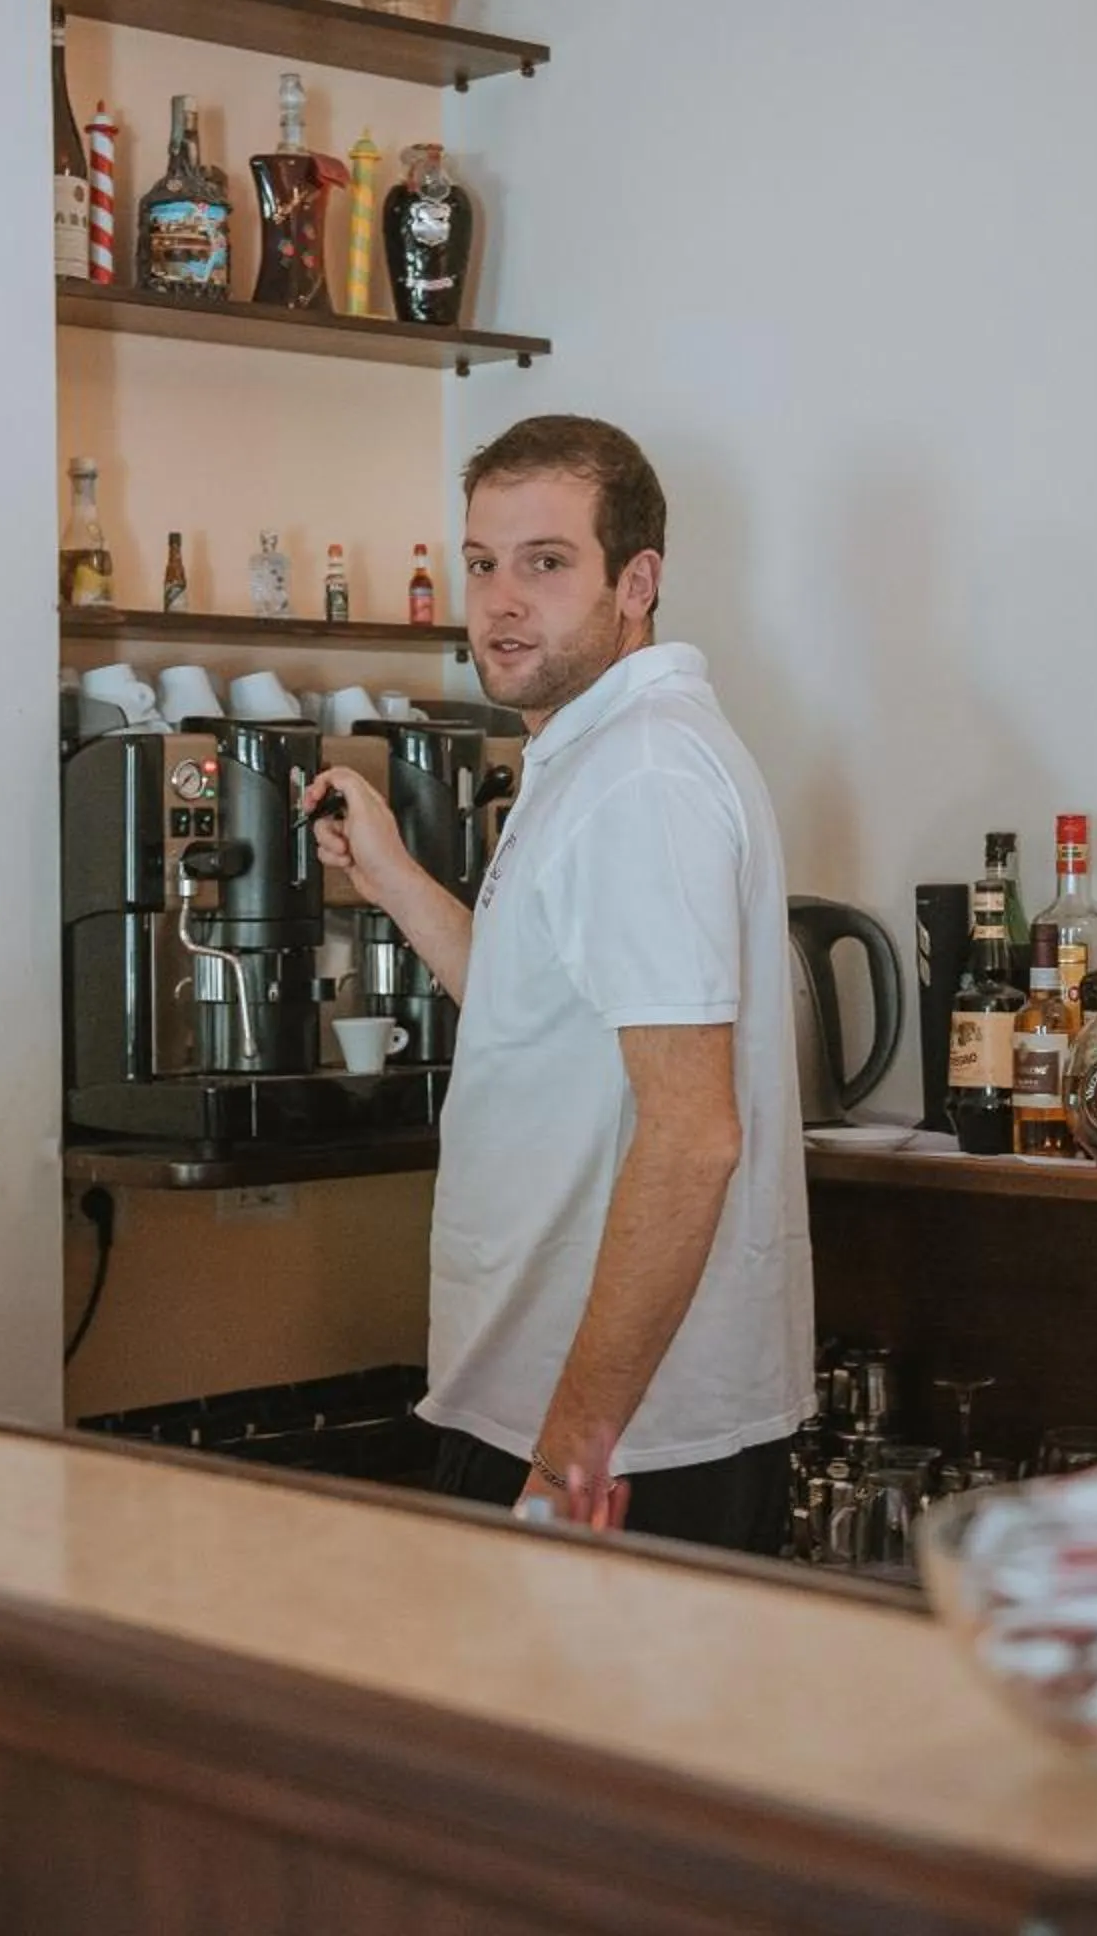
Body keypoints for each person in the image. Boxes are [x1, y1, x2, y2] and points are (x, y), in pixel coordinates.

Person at [306, 415, 810, 1554]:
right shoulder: (594, 751)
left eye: (546, 562)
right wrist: (391, 877)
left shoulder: (640, 775)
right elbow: (535, 1011)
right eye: (483, 563)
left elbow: (693, 1137)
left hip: (618, 1449)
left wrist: (566, 1459)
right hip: (579, 1418)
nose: (500, 600)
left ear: (638, 580)